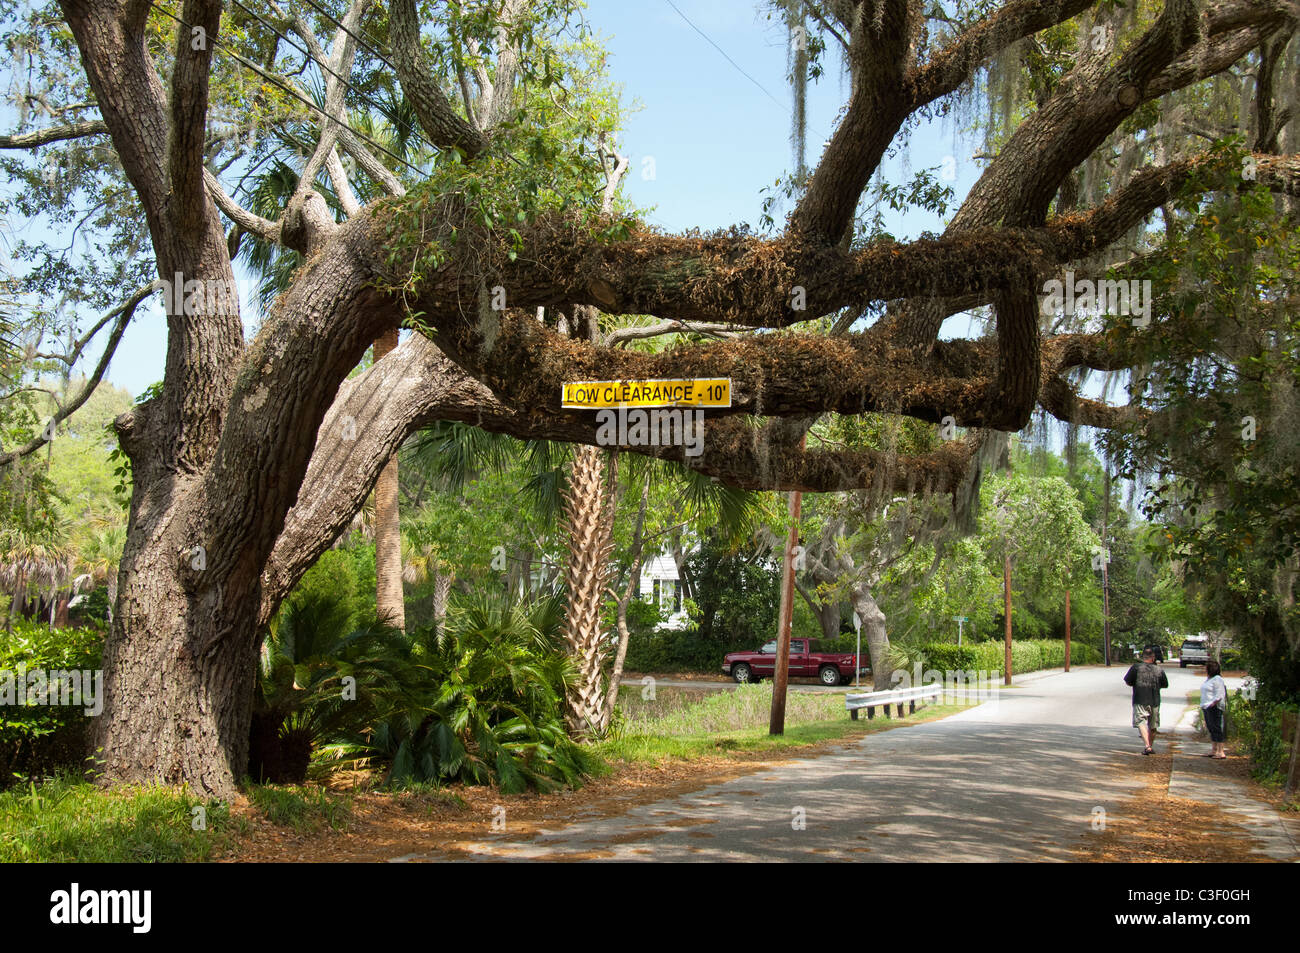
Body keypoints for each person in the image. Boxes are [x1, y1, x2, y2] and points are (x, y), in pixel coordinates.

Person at [1124, 647, 1169, 755]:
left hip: (1140, 699)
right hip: (1155, 700)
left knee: (1141, 722)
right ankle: (1150, 746)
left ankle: (1147, 746)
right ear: (1153, 658)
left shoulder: (1136, 668)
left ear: (1143, 657)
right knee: (1153, 725)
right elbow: (1165, 684)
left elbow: (1128, 681)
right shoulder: (1159, 670)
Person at [1200, 660, 1228, 759]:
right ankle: (1214, 749)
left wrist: (1213, 704)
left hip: (1214, 707)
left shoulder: (1217, 679)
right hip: (1206, 706)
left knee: (1217, 728)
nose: (1205, 669)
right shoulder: (1209, 679)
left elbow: (1219, 694)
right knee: (1211, 728)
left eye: (1206, 668)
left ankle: (1221, 751)